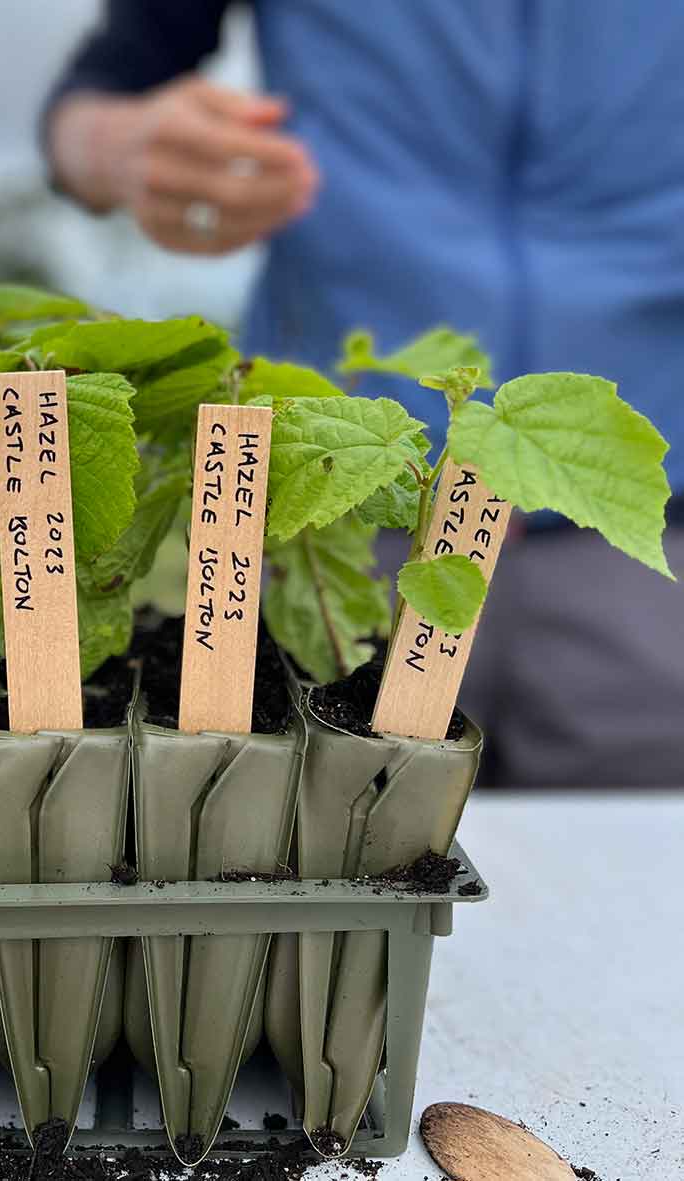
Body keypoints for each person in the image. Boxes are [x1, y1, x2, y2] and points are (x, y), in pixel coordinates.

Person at [42, 1, 684, 787]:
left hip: (648, 537)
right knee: (313, 840)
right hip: (341, 524)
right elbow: (100, 87)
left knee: (641, 877)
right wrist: (122, 146)